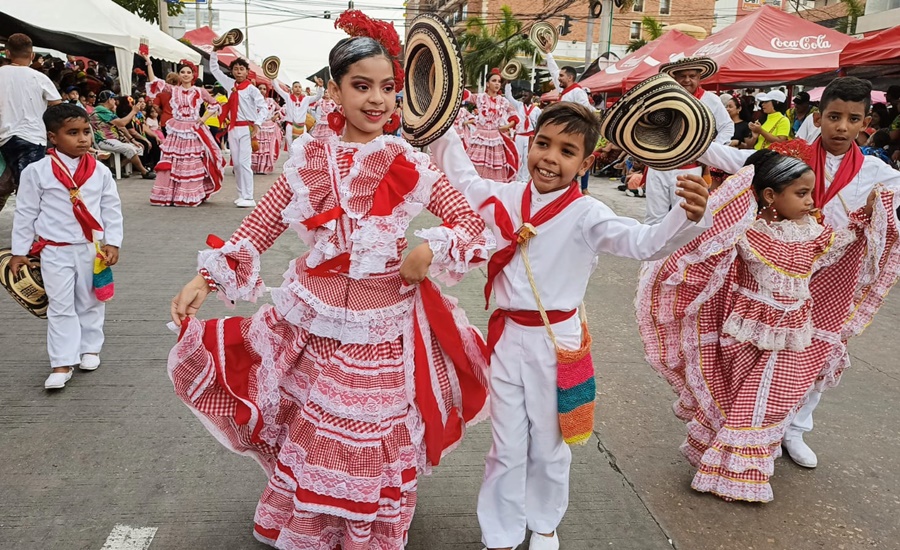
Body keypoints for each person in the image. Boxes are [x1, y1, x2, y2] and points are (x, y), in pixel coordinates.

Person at [166, 10, 492, 549]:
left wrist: (429, 248)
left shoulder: (404, 160)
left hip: (383, 324)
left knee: (363, 432)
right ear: (334, 92)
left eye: (388, 87)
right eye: (361, 86)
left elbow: (471, 223)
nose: (377, 99)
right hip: (314, 316)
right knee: (313, 429)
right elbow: (262, 222)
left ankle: (363, 527)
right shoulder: (310, 159)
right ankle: (316, 526)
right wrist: (205, 279)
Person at [430, 102, 711, 550]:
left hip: (556, 345)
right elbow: (461, 177)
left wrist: (686, 216)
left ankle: (544, 525)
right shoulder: (502, 197)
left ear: (586, 162)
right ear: (529, 143)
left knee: (549, 444)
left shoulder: (588, 214)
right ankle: (499, 535)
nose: (550, 158)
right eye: (543, 144)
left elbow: (643, 243)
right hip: (504, 340)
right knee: (505, 447)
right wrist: (436, 121)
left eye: (566, 151)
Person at [637, 149, 900, 502]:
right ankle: (726, 468)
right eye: (801, 193)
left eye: (811, 192)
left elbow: (839, 247)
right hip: (745, 334)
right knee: (740, 400)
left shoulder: (813, 232)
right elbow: (710, 247)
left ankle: (743, 471)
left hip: (794, 335)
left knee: (769, 401)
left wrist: (868, 214)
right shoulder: (748, 233)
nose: (811, 201)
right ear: (771, 196)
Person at [698, 76, 900, 469]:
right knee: (762, 354)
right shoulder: (791, 156)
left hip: (835, 277)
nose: (842, 127)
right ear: (819, 118)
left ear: (865, 122)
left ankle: (795, 430)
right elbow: (737, 162)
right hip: (781, 269)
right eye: (834, 116)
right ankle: (755, 425)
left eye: (853, 119)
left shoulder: (878, 173)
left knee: (816, 353)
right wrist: (687, 139)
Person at [9, 103, 123, 390]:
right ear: (53, 137)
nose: (83, 138)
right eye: (73, 133)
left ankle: (90, 348)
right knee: (60, 305)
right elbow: (26, 212)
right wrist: (19, 251)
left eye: (86, 131)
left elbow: (111, 207)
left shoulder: (99, 170)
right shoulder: (37, 172)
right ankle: (61, 362)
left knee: (91, 300)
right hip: (54, 250)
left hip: (90, 247)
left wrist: (114, 242)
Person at [643, 57, 733, 224]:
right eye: (682, 76)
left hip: (689, 168)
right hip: (658, 166)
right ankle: (655, 250)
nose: (687, 80)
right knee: (654, 219)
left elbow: (727, 127)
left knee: (684, 219)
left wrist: (708, 151)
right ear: (674, 78)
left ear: (699, 78)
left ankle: (681, 251)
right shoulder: (662, 97)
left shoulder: (710, 100)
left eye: (692, 76)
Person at [143, 54, 225, 207]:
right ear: (179, 75)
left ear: (193, 74)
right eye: (183, 72)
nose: (186, 75)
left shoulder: (200, 91)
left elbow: (215, 105)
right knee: (173, 160)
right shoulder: (174, 90)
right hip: (177, 128)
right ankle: (170, 194)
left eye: (188, 72)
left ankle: (189, 194)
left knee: (190, 160)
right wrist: (148, 63)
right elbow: (155, 81)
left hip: (193, 129)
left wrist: (203, 119)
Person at [0, 33, 62, 211]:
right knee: (30, 189)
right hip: (32, 138)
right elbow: (57, 106)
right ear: (32, 55)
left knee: (3, 185)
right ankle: (33, 230)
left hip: (4, 138)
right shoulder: (40, 78)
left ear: (7, 53)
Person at [209, 49, 267, 208]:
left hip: (247, 129)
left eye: (242, 69)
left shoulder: (252, 89)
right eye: (236, 69)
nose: (238, 72)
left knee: (244, 163)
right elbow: (214, 69)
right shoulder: (229, 84)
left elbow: (264, 108)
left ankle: (249, 197)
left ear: (247, 72)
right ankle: (241, 194)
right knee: (235, 164)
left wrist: (258, 124)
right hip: (233, 128)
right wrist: (214, 51)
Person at [546, 54, 594, 194]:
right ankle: (565, 186)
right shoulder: (563, 91)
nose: (558, 78)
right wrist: (548, 52)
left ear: (570, 78)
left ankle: (583, 189)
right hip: (563, 132)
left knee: (579, 160)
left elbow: (587, 111)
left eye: (561, 76)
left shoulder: (578, 92)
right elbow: (553, 71)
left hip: (575, 133)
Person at [89, 90, 156, 180]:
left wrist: (132, 140)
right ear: (109, 100)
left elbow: (121, 127)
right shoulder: (101, 111)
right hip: (104, 140)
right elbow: (122, 123)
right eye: (113, 99)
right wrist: (133, 112)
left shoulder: (107, 111)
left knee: (139, 148)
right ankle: (144, 172)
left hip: (113, 139)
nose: (115, 102)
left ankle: (116, 168)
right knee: (129, 149)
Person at [467, 68, 517, 182]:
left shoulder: (503, 101)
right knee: (474, 168)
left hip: (495, 138)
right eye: (494, 81)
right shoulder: (480, 97)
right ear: (488, 84)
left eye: (499, 82)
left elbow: (514, 116)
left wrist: (507, 126)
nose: (497, 84)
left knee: (495, 167)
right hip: (480, 137)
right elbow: (465, 95)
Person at [504, 84, 541, 182]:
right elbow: (508, 96)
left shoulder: (537, 110)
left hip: (530, 136)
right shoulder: (518, 105)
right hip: (519, 136)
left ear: (531, 95)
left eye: (526, 95)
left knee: (527, 159)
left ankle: (524, 180)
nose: (523, 97)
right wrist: (508, 84)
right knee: (518, 158)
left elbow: (539, 124)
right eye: (522, 95)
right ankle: (516, 178)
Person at [273, 78, 323, 148]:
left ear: (301, 89)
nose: (298, 88)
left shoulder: (306, 99)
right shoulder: (288, 97)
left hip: (302, 127)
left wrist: (320, 87)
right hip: (290, 126)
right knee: (291, 148)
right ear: (292, 89)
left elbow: (318, 97)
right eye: (295, 87)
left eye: (299, 87)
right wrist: (273, 78)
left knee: (301, 148)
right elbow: (278, 89)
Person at [250, 83, 281, 175]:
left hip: (269, 128)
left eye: (264, 89)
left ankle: (264, 168)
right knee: (256, 148)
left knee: (266, 149)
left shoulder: (270, 101)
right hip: (257, 127)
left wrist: (277, 115)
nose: (262, 90)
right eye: (260, 88)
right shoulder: (252, 101)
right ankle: (254, 167)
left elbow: (282, 109)